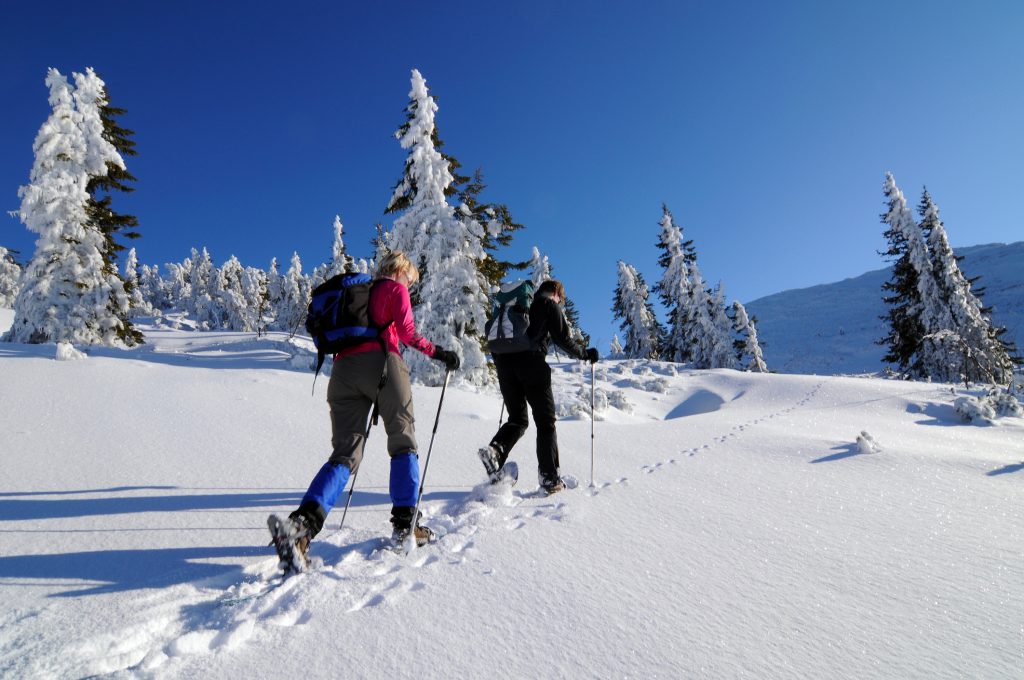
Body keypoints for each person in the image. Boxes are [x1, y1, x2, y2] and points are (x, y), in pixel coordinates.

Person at [269, 251, 459, 571]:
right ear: (400, 271)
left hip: (342, 372)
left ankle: (300, 526)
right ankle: (405, 526)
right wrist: (440, 353)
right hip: (383, 364)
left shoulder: (357, 294)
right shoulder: (392, 288)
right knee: (403, 440)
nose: (409, 286)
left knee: (345, 453)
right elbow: (408, 333)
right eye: (410, 279)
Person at [479, 279, 599, 494]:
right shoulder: (546, 305)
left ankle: (495, 451)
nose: (559, 303)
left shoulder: (518, 310)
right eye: (560, 299)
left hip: (505, 367)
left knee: (517, 420)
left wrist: (504, 368)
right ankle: (549, 477)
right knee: (545, 422)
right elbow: (562, 338)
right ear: (555, 292)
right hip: (532, 365)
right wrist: (585, 354)